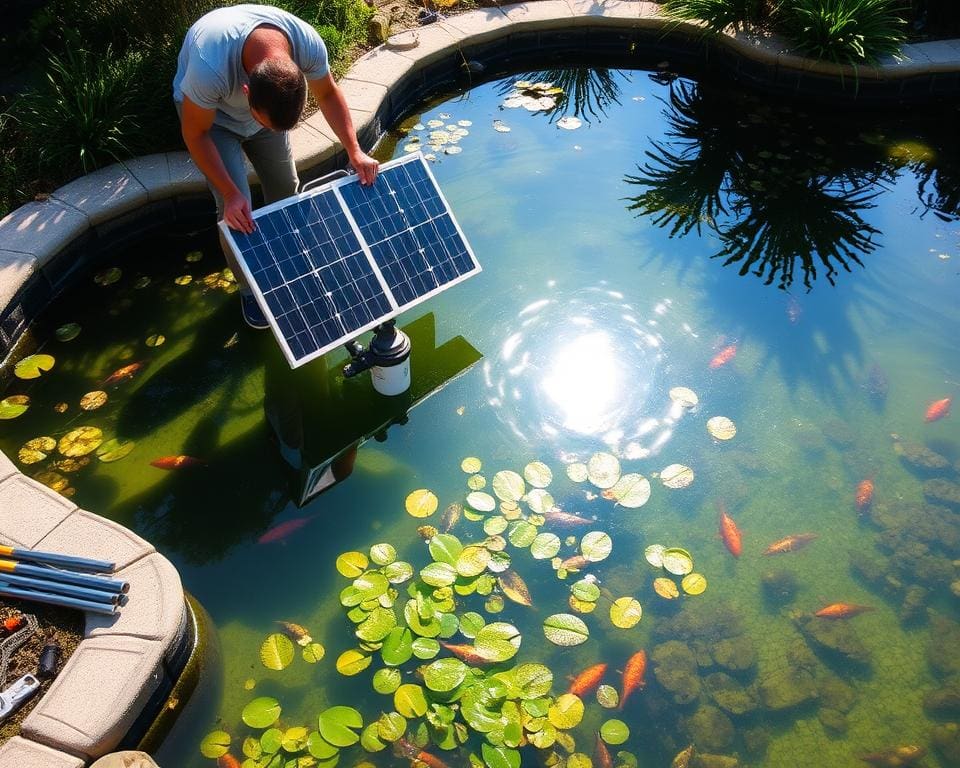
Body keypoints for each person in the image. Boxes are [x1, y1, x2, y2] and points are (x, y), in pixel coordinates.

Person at [173, 4, 379, 328]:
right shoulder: (208, 67)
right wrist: (229, 193)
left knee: (286, 187)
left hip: (260, 109)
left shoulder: (306, 44)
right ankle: (249, 290)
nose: (272, 133)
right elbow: (195, 133)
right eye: (266, 123)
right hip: (212, 121)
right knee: (236, 210)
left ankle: (290, 258)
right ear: (246, 92)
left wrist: (355, 150)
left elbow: (327, 94)